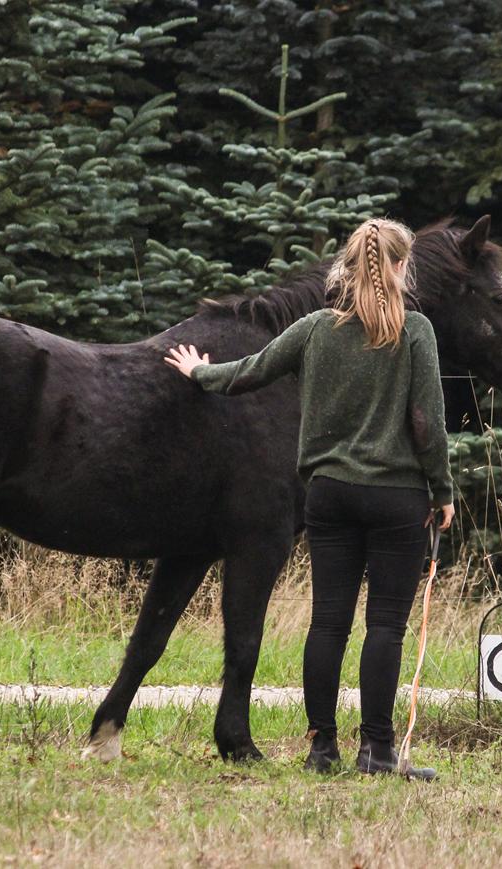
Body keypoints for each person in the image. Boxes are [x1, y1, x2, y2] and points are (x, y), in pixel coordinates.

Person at [165, 218, 454, 780]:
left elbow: (249, 372)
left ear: (346, 267)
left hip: (328, 496)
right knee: (386, 627)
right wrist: (441, 490)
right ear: (400, 268)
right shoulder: (416, 331)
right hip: (397, 499)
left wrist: (199, 370)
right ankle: (377, 752)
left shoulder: (317, 328)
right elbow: (427, 423)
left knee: (328, 625)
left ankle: (322, 748)